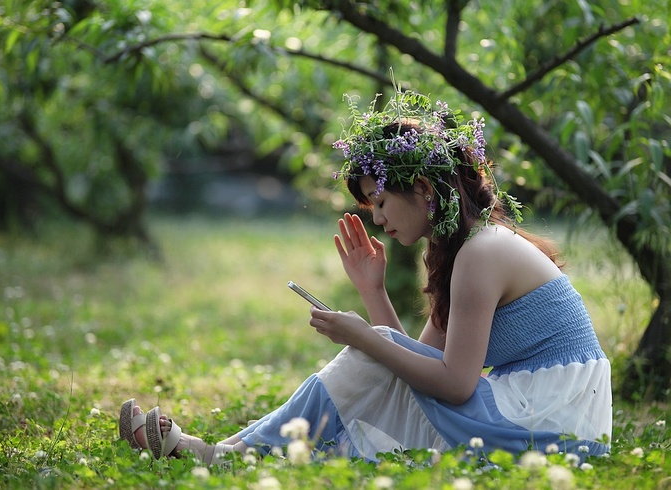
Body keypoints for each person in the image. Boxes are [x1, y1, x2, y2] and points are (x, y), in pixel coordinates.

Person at [119, 90, 612, 464]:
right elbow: (412, 367)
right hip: (537, 417)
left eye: (379, 201)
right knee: (375, 357)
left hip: (550, 427)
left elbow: (455, 384)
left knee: (372, 353)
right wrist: (372, 292)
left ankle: (221, 455)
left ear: (421, 189)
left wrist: (366, 336)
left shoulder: (481, 254)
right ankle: (221, 452)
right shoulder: (465, 249)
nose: (376, 218)